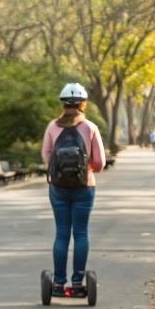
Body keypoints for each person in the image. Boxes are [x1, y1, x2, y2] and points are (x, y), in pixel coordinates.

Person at [41, 83, 106, 294]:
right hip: (84, 186)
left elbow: (46, 156)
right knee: (80, 233)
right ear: (83, 104)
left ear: (63, 104)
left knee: (61, 233)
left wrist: (60, 170)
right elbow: (100, 163)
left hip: (58, 187)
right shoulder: (90, 127)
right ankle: (78, 283)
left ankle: (59, 283)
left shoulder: (52, 127)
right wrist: (86, 169)